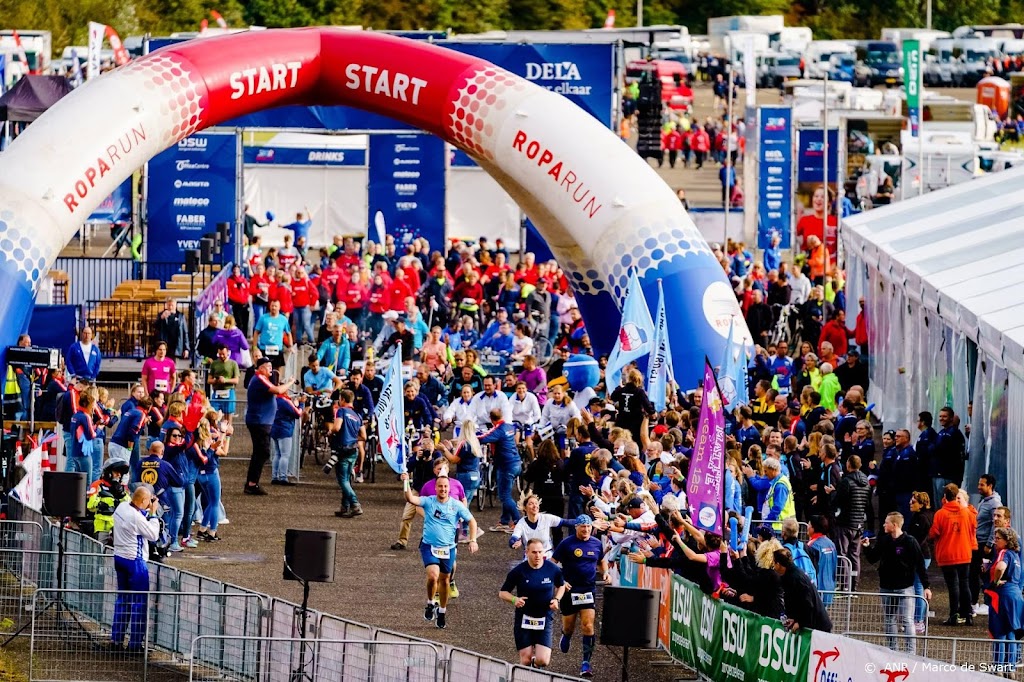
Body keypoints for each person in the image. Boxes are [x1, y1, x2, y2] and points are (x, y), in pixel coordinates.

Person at [400, 471, 479, 629]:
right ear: (435, 488)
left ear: (449, 489)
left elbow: (472, 521)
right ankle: (430, 602)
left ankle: (442, 611)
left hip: (448, 548)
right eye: (440, 486)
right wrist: (406, 482)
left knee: (444, 580)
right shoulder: (429, 501)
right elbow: (411, 499)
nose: (443, 489)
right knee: (432, 576)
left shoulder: (456, 505)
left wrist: (473, 539)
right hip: (429, 545)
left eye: (445, 487)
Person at [862, 512, 930, 654]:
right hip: (886, 587)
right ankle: (892, 650)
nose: (883, 524)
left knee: (907, 620)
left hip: (905, 587)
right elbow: (873, 558)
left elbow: (920, 564)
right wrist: (867, 547)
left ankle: (910, 653)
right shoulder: (884, 540)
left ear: (894, 525)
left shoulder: (910, 541)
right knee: (889, 619)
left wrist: (926, 586)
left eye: (886, 522)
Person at [551, 515, 607, 678]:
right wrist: (560, 581)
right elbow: (551, 563)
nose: (586, 530)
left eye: (589, 527)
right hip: (569, 591)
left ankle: (586, 663)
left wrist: (606, 573)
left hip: (588, 590)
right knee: (569, 626)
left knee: (588, 626)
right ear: (576, 527)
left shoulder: (596, 544)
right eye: (583, 527)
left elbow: (601, 561)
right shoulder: (566, 544)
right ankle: (566, 634)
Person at [499, 538, 566, 669]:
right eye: (534, 552)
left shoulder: (552, 569)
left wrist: (557, 599)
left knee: (543, 661)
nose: (538, 556)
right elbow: (502, 592)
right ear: (527, 552)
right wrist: (514, 599)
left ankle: (534, 666)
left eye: (540, 552)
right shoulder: (518, 571)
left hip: (544, 617)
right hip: (524, 618)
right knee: (525, 660)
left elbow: (561, 586)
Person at [110, 486, 162, 653]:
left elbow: (137, 517)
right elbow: (153, 534)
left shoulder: (123, 507)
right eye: (147, 501)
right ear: (142, 501)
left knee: (123, 600)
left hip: (119, 558)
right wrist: (153, 513)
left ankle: (116, 640)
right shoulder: (136, 517)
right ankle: (135, 645)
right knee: (139, 603)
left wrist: (147, 510)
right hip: (135, 561)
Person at [244, 357, 295, 495]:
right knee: (263, 452)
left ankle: (251, 482)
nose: (270, 369)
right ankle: (252, 483)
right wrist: (290, 382)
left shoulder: (263, 379)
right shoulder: (260, 378)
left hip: (262, 421)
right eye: (268, 366)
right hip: (259, 421)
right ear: (260, 368)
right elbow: (278, 390)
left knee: (259, 452)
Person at [929, 483, 978, 626]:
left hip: (948, 554)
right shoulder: (966, 512)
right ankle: (968, 614)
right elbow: (973, 527)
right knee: (964, 583)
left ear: (944, 496)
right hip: (964, 552)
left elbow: (934, 533)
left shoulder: (941, 514)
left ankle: (954, 615)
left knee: (953, 586)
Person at [985, 527, 1024, 669]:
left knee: (999, 632)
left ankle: (998, 667)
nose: (995, 542)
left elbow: (1000, 567)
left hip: (1003, 595)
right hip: (1016, 596)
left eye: (998, 539)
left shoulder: (1004, 553)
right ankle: (1010, 668)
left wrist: (995, 582)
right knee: (1011, 633)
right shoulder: (1016, 556)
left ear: (1007, 541)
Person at [478, 408, 521, 533]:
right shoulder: (509, 427)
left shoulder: (498, 430)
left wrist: (469, 436)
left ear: (491, 419)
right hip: (516, 463)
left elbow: (483, 438)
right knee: (506, 493)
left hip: (506, 466)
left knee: (505, 496)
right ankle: (504, 521)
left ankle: (518, 522)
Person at [773, 547, 833, 633]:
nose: (773, 566)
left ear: (778, 564)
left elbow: (807, 603)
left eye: (774, 563)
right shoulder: (790, 575)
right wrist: (794, 618)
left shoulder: (796, 578)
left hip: (818, 627)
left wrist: (800, 622)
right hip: (813, 624)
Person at [834, 454, 870, 591]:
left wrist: (833, 493)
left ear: (848, 465)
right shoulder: (866, 481)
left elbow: (839, 501)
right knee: (855, 555)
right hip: (859, 522)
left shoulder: (846, 481)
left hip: (845, 522)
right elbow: (867, 503)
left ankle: (844, 585)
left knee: (842, 554)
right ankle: (854, 587)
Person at [327, 390, 366, 518]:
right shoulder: (358, 415)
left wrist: (330, 432)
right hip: (353, 450)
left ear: (342, 399)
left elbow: (337, 427)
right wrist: (353, 438)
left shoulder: (341, 411)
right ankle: (344, 507)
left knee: (342, 480)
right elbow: (363, 436)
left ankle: (355, 504)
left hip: (342, 449)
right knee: (348, 479)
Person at [972, 473, 1003, 616]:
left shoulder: (994, 503)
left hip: (985, 544)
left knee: (986, 573)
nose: (979, 487)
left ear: (990, 486)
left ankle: (987, 603)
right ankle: (976, 602)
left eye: (982, 484)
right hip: (979, 541)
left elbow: (994, 525)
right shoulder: (984, 500)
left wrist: (990, 544)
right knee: (977, 572)